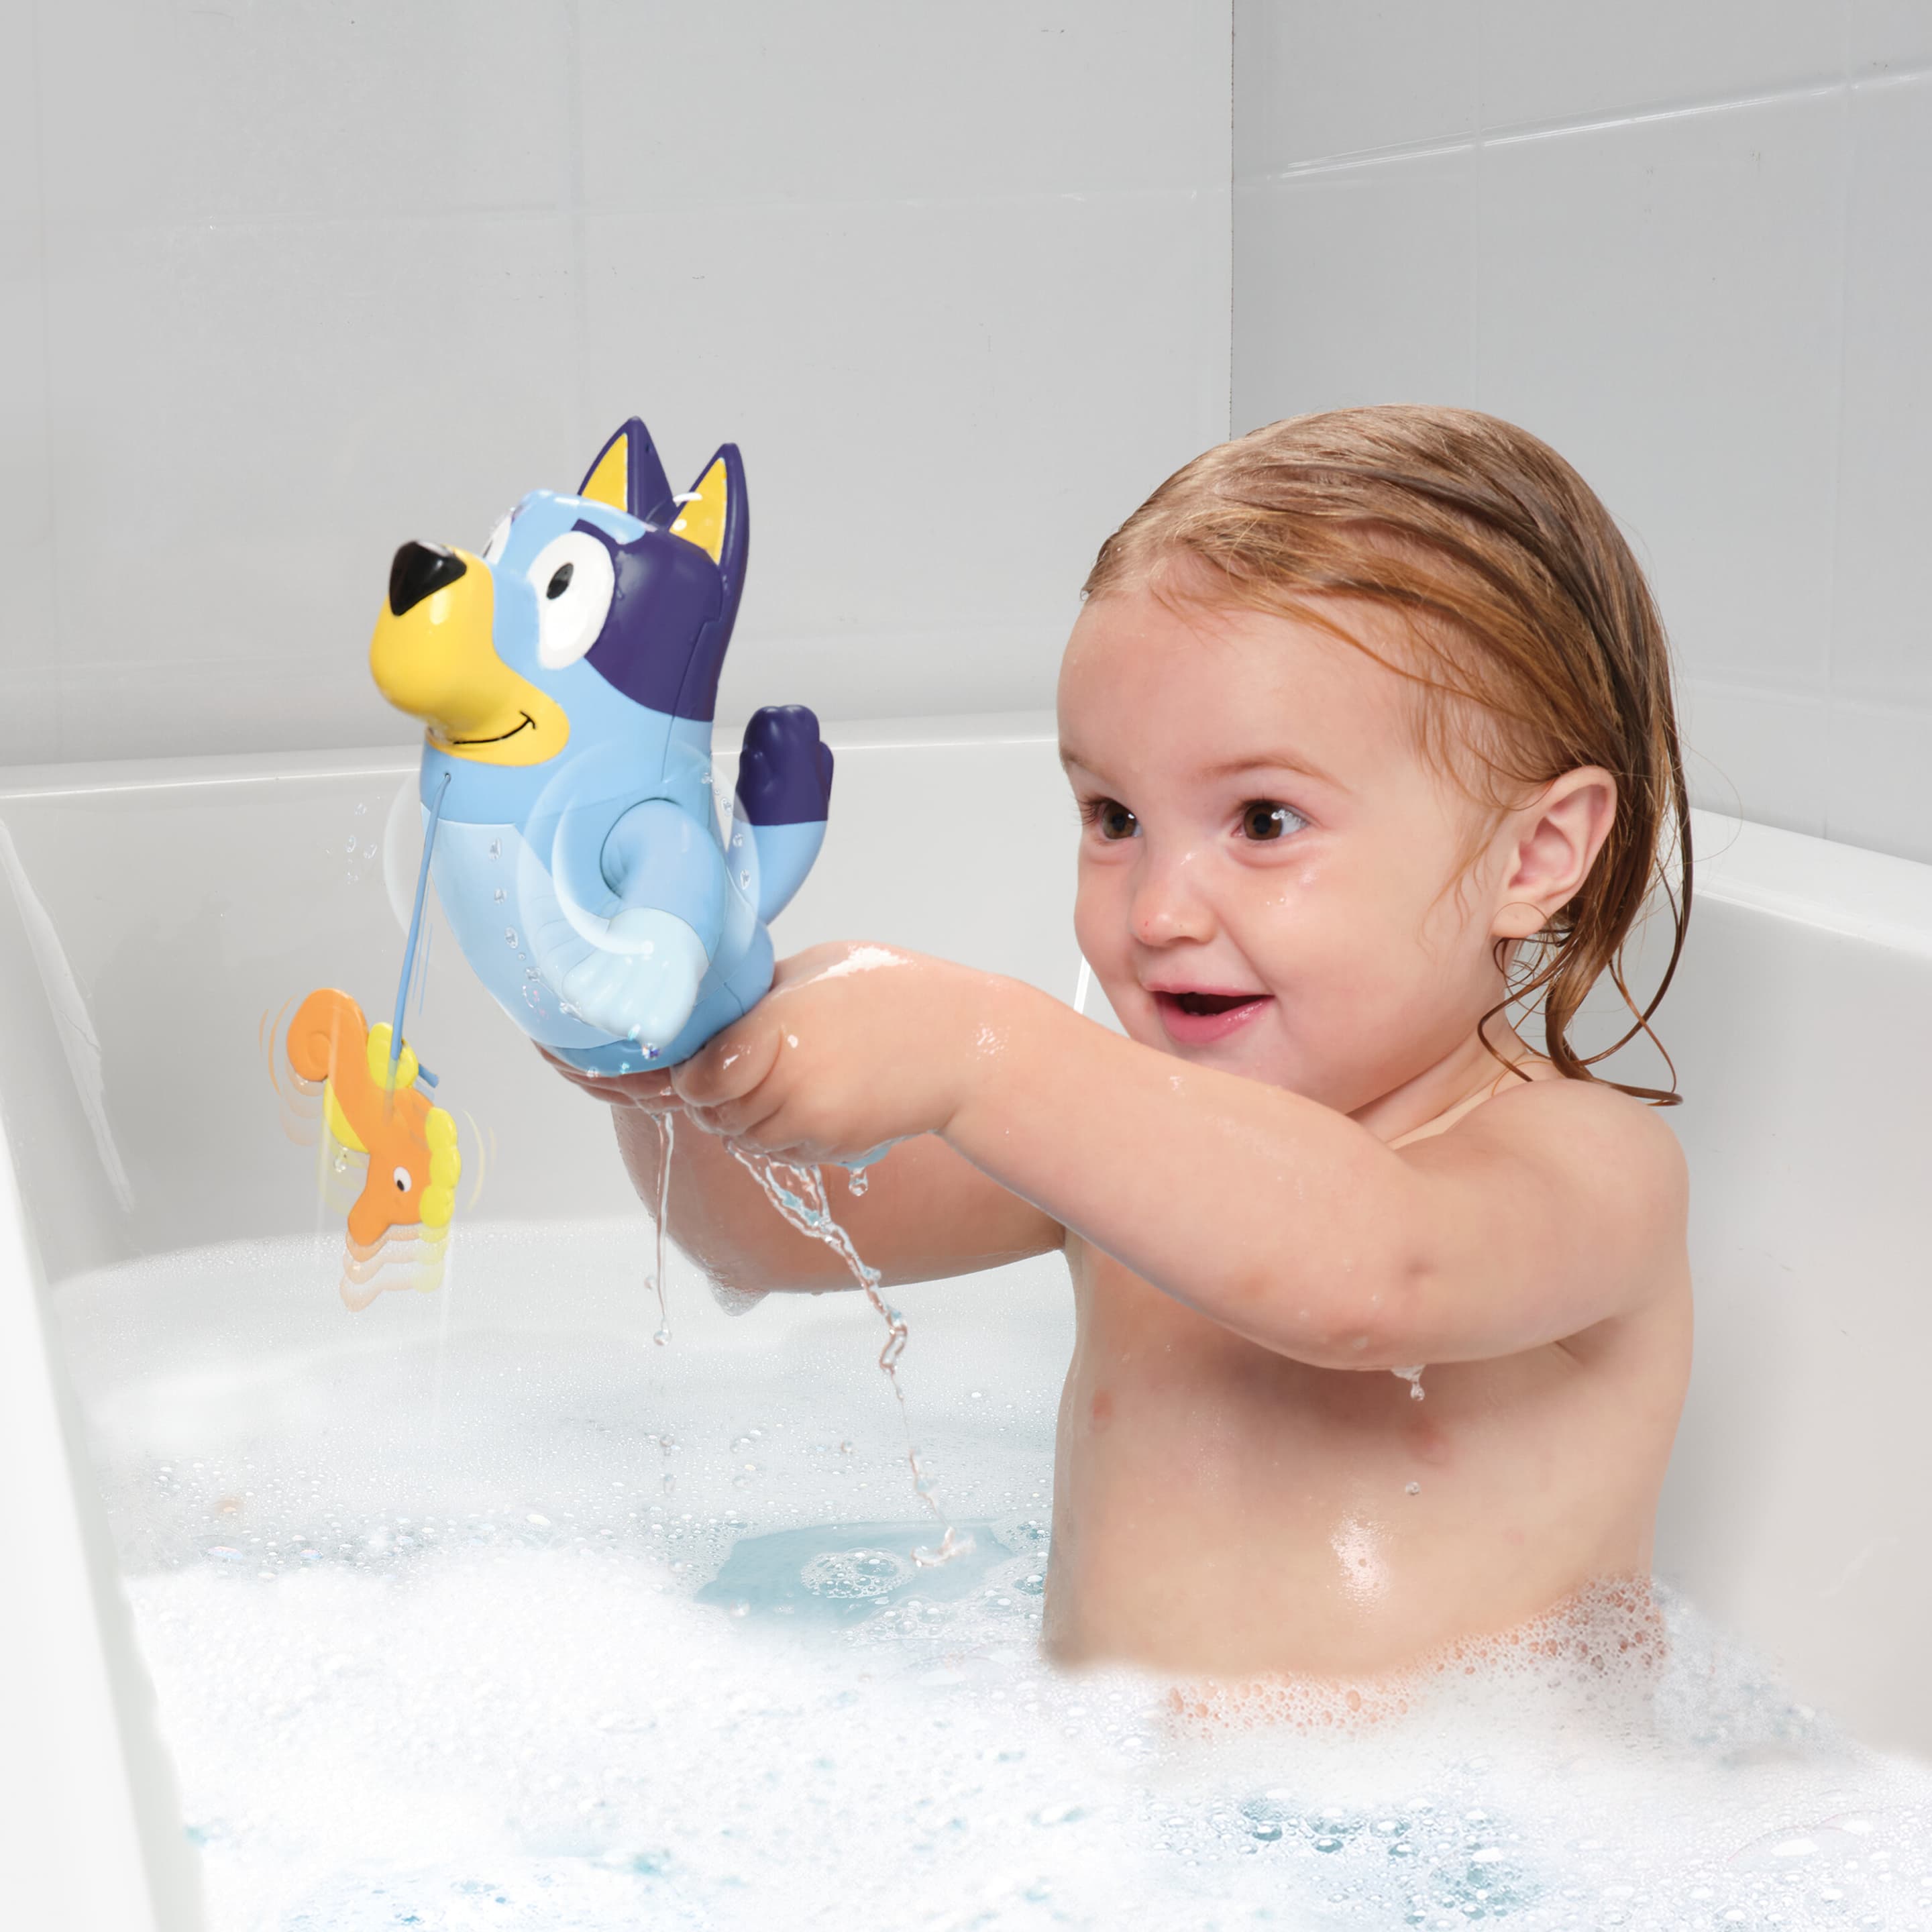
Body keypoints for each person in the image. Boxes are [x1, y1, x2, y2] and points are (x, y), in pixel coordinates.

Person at [547, 405, 1694, 1685]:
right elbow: (766, 1233)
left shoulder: (1591, 1169)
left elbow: (1376, 1277)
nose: (1157, 913)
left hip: (1478, 1804)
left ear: (1535, 857)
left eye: (1264, 821)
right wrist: (671, 1057)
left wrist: (982, 1048)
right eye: (1113, 816)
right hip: (1105, 1795)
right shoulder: (1123, 1140)